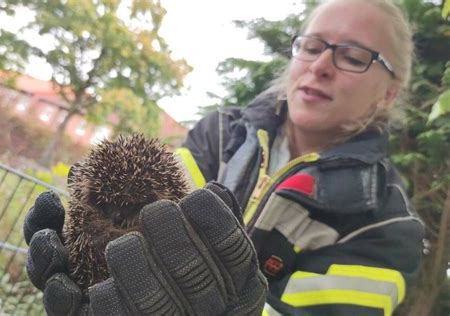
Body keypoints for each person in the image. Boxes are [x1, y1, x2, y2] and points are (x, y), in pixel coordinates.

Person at [23, 0, 425, 315]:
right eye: (312, 46)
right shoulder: (218, 135)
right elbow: (148, 202)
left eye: (353, 57)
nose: (320, 66)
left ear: (390, 92)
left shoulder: (390, 228)